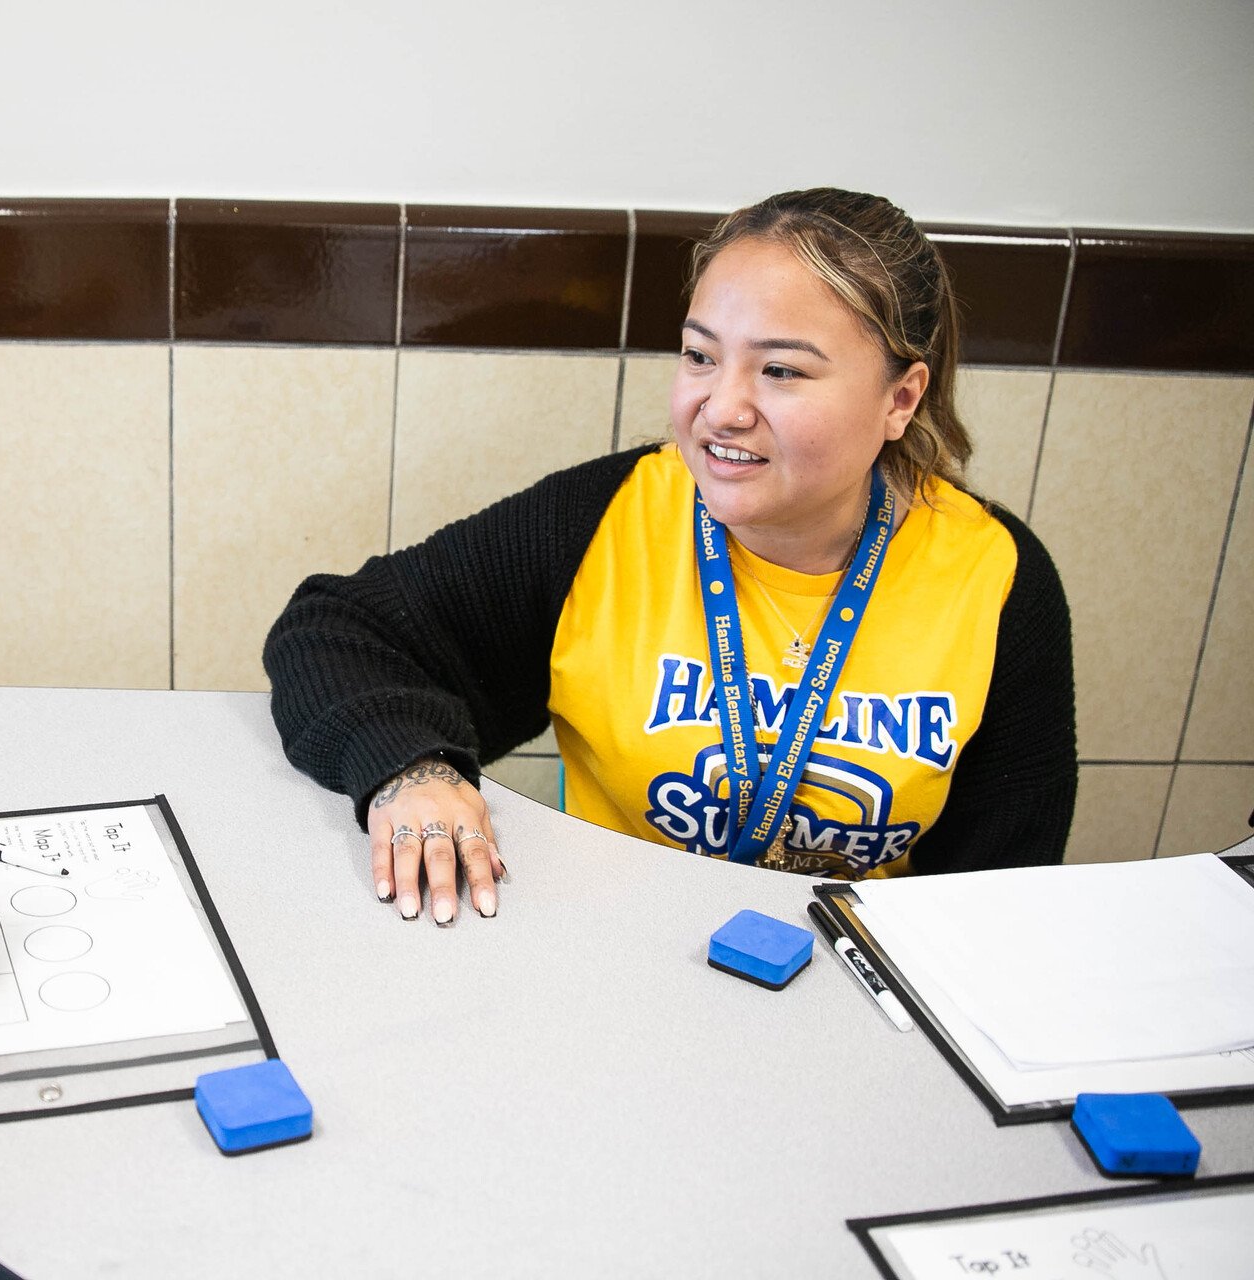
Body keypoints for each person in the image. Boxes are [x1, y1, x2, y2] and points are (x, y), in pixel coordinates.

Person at [264, 187, 1076, 924]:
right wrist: (411, 770)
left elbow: (996, 901)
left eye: (782, 369)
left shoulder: (997, 577)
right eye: (699, 355)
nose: (721, 407)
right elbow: (335, 628)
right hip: (608, 958)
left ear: (901, 398)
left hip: (860, 990)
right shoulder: (606, 519)